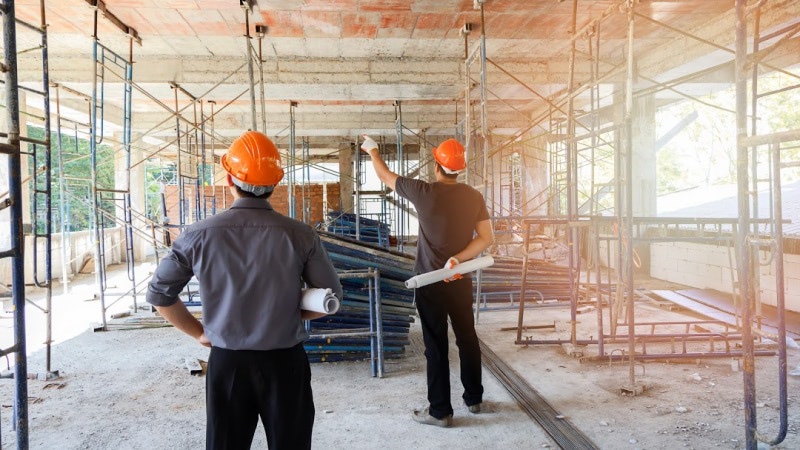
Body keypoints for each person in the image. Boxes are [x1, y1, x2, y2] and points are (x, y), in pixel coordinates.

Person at [146, 130, 343, 449]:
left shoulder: (197, 235)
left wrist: (199, 332)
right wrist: (289, 311)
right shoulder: (301, 235)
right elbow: (331, 298)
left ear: (228, 179)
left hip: (228, 364)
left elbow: (159, 295)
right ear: (276, 182)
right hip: (284, 363)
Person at [360, 135, 494, 428]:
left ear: (437, 166)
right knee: (467, 338)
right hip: (459, 277)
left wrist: (372, 149)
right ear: (459, 169)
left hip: (429, 281)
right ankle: (474, 399)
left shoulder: (422, 191)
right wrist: (459, 259)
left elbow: (384, 175)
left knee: (436, 345)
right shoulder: (473, 196)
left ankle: (440, 412)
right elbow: (486, 238)